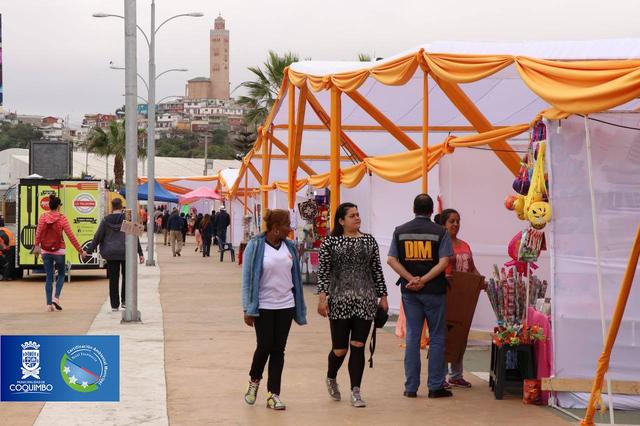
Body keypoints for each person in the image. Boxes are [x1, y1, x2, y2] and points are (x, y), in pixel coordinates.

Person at [317, 202, 388, 408]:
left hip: (365, 300)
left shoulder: (369, 241)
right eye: (352, 216)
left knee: (358, 346)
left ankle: (355, 391)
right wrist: (323, 299)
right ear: (341, 220)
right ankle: (331, 376)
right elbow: (323, 273)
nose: (357, 218)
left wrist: (382, 297)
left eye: (358, 215)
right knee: (340, 349)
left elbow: (377, 270)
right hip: (339, 300)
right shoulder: (330, 242)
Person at [387, 194, 453, 399]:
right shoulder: (441, 232)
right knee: (437, 337)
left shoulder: (400, 231)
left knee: (413, 337)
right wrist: (423, 280)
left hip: (410, 293)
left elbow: (391, 260)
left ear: (413, 209)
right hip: (434, 292)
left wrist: (411, 279)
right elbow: (444, 262)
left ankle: (411, 388)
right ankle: (435, 387)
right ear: (432, 211)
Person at [242, 209, 307, 410]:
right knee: (265, 346)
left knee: (279, 349)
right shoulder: (255, 246)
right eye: (287, 225)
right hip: (263, 305)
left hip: (286, 305)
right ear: (276, 228)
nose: (290, 228)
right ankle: (254, 381)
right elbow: (247, 280)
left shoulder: (289, 247)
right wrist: (248, 308)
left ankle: (273, 394)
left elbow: (295, 277)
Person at [434, 208, 480, 389]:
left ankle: (457, 375)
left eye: (458, 221)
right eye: (451, 221)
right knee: (445, 334)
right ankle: (442, 376)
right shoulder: (440, 244)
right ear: (443, 224)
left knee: (461, 333)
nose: (455, 224)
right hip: (446, 294)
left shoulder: (465, 245)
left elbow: (472, 268)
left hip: (464, 296)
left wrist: (480, 281)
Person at [86, 198, 144, 311]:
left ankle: (114, 304)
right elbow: (135, 236)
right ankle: (125, 301)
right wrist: (140, 253)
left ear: (112, 207)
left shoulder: (105, 220)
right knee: (126, 277)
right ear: (121, 206)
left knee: (113, 278)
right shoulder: (126, 218)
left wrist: (88, 251)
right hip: (125, 251)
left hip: (110, 253)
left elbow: (97, 237)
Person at [33, 195, 84, 312]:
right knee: (61, 274)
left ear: (49, 206)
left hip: (45, 250)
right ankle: (56, 298)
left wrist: (36, 246)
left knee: (49, 277)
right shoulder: (62, 218)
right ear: (59, 206)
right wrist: (80, 251)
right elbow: (71, 236)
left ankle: (48, 305)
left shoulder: (43, 217)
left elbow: (38, 233)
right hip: (59, 250)